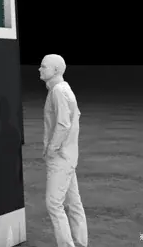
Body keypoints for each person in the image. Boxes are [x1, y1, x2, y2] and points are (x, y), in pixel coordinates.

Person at [39, 54, 88, 247]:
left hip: (60, 157)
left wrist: (52, 149)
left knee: (54, 204)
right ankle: (81, 243)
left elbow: (63, 124)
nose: (40, 69)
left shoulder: (58, 92)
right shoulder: (64, 89)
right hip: (69, 155)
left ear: (56, 70)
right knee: (74, 203)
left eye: (43, 66)